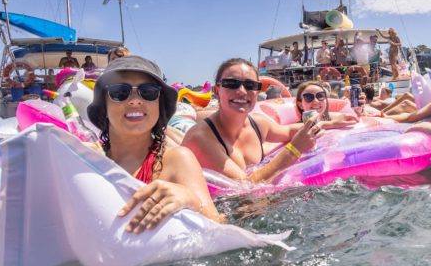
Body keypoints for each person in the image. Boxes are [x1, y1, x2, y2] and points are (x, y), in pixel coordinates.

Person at [86, 55, 226, 232]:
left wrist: (192, 200)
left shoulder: (177, 160)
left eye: (148, 92)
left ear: (159, 106)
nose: (135, 100)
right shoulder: (89, 158)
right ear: (103, 105)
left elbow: (219, 227)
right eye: (119, 92)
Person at [182, 58, 320, 182]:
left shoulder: (258, 124)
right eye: (232, 83)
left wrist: (324, 123)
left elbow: (289, 130)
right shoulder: (200, 139)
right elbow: (246, 188)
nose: (242, 91)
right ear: (217, 91)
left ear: (257, 92)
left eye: (250, 85)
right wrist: (294, 149)